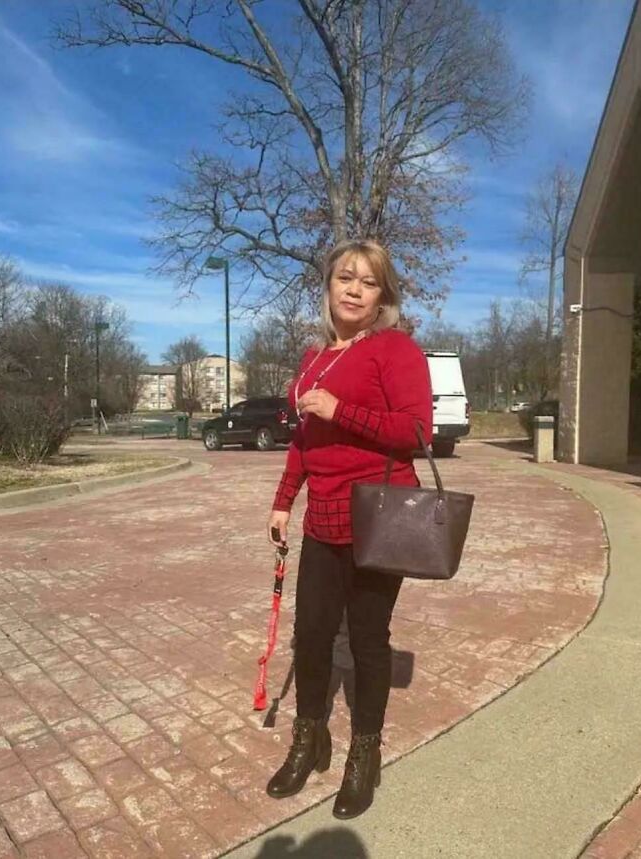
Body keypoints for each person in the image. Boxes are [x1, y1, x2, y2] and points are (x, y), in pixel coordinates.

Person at [266, 239, 432, 819]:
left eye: (368, 281)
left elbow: (417, 433)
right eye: (344, 277)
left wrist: (342, 410)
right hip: (324, 517)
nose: (354, 289)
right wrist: (285, 500)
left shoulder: (396, 349)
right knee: (310, 635)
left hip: (379, 516)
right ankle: (310, 738)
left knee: (366, 639)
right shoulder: (314, 356)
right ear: (329, 285)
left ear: (382, 294)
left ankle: (366, 750)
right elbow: (302, 438)